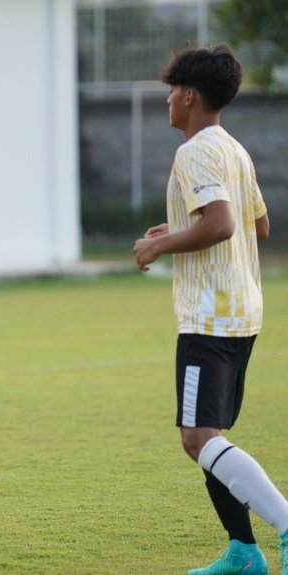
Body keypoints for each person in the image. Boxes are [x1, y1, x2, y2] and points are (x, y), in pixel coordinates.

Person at [133, 46, 288, 575]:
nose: (168, 104)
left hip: (211, 316)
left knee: (199, 438)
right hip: (243, 311)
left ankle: (283, 527)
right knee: (210, 437)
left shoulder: (195, 151)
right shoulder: (234, 150)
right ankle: (243, 554)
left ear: (189, 96)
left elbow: (221, 224)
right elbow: (257, 225)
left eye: (172, 93)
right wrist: (175, 229)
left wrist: (157, 247)